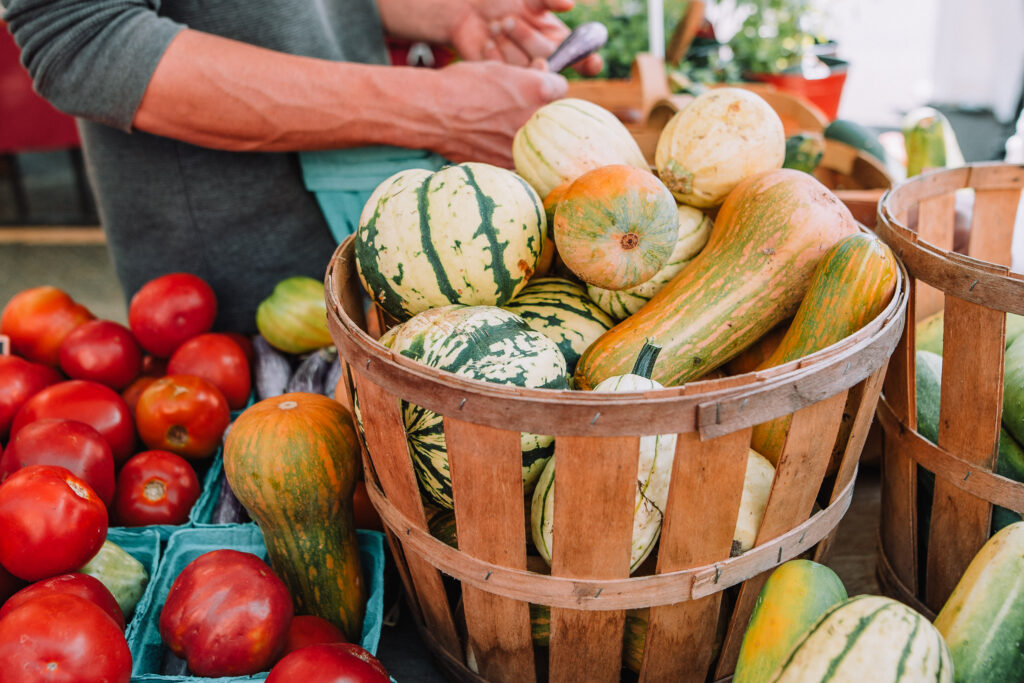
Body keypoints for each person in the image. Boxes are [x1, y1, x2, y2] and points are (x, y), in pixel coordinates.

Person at [2, 1, 601, 332]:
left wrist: (448, 13)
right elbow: (83, 39)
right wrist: (439, 111)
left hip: (366, 258)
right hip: (232, 307)